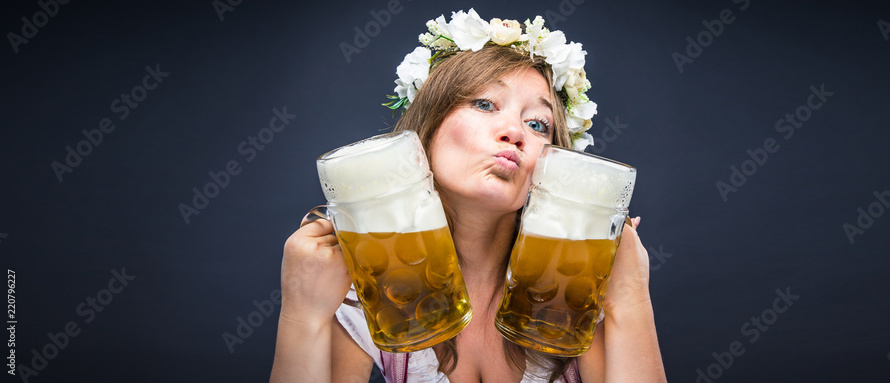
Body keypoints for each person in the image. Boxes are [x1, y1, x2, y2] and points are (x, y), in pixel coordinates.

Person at [270, 9, 667, 383]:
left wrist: (631, 301)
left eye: (537, 124)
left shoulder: (576, 294)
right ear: (423, 132)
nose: (515, 131)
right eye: (483, 103)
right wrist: (302, 315)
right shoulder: (371, 289)